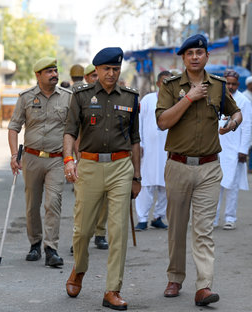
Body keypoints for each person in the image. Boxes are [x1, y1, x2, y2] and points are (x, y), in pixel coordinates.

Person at [156, 34, 242, 307]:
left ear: (207, 57)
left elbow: (236, 111)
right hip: (178, 166)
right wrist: (189, 98)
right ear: (183, 58)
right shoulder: (170, 86)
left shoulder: (217, 85)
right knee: (177, 228)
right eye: (190, 52)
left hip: (209, 168)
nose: (195, 56)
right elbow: (162, 122)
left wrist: (234, 122)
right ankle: (175, 277)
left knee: (204, 230)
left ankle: (204, 286)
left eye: (199, 52)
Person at [63, 47, 141, 311]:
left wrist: (137, 176)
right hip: (89, 167)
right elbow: (70, 132)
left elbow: (135, 140)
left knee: (118, 231)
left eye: (116, 69)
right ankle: (80, 269)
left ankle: (112, 289)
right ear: (96, 71)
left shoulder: (131, 98)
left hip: (121, 166)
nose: (111, 73)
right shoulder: (82, 96)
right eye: (106, 69)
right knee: (82, 230)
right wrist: (68, 160)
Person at [7, 57, 72, 267]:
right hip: (32, 158)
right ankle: (34, 244)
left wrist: (73, 158)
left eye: (55, 70)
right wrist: (13, 155)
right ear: (38, 75)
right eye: (49, 71)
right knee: (32, 205)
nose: (54, 74)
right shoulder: (26, 98)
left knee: (53, 203)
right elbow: (14, 127)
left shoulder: (68, 98)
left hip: (56, 160)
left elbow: (74, 131)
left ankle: (50, 248)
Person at [71, 63, 109, 251]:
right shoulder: (80, 98)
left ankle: (100, 233)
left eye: (97, 75)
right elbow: (73, 131)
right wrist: (77, 157)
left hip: (109, 156)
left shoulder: (112, 96)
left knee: (104, 200)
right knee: (83, 201)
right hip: (85, 156)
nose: (97, 78)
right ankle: (79, 237)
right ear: (86, 78)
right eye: (93, 76)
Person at [214, 69, 252, 230]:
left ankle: (230, 218)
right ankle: (213, 219)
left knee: (231, 186)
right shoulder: (216, 97)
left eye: (234, 84)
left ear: (238, 85)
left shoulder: (243, 101)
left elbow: (247, 127)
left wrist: (243, 150)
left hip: (234, 150)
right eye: (228, 83)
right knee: (215, 186)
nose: (230, 86)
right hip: (215, 148)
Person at [134, 70, 172, 231]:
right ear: (157, 83)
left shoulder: (176, 101)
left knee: (166, 186)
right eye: (164, 81)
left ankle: (158, 217)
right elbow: (139, 123)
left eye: (170, 82)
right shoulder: (148, 100)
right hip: (148, 149)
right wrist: (140, 143)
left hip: (168, 150)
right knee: (146, 184)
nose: (167, 85)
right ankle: (142, 218)